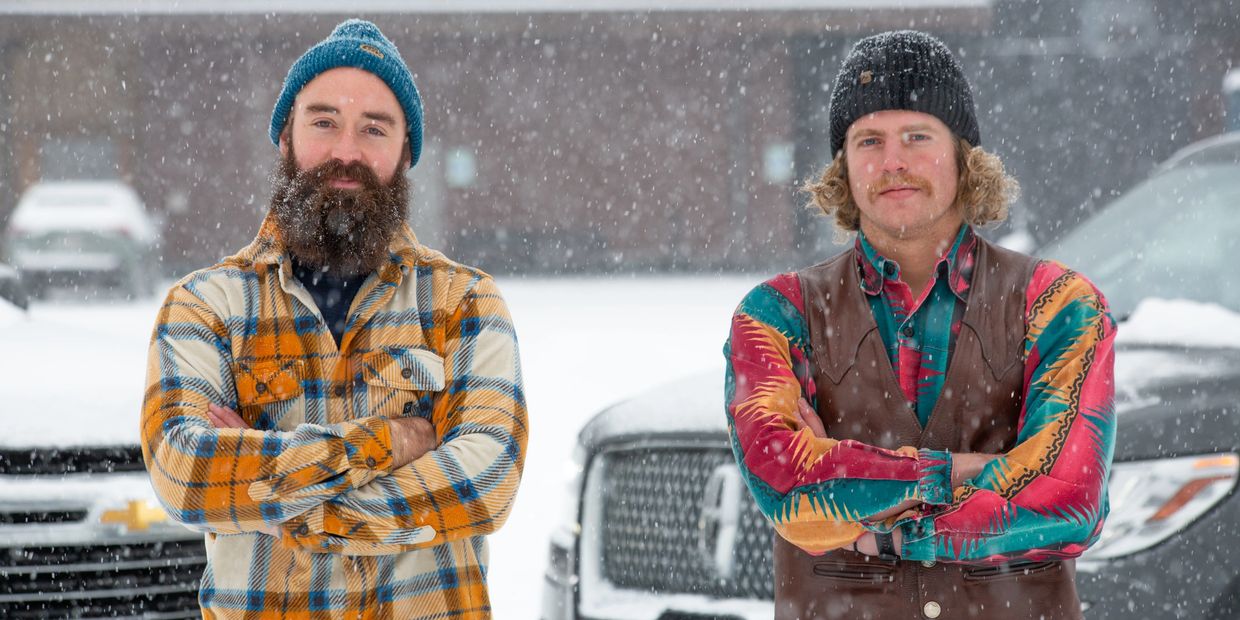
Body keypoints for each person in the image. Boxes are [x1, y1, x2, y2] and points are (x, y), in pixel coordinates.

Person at [140, 19, 527, 619]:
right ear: (287, 139)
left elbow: (487, 481)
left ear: (404, 154)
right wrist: (397, 441)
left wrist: (269, 485)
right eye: (324, 122)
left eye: (374, 128)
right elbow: (186, 473)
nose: (346, 150)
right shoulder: (205, 306)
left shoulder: (463, 304)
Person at [724, 30, 1115, 619]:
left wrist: (886, 528)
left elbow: (1069, 497)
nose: (893, 161)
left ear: (964, 156)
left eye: (916, 135)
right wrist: (959, 474)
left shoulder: (1059, 303)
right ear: (844, 166)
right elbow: (786, 483)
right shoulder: (777, 315)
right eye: (869, 140)